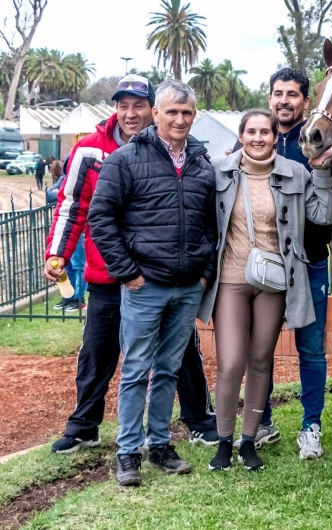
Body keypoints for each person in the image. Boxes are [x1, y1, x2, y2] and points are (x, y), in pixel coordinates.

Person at [44, 74, 218, 457]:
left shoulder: (189, 155)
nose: (131, 113)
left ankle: (199, 421)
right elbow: (75, 207)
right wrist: (57, 252)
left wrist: (202, 273)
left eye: (138, 105)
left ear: (150, 109)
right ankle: (84, 425)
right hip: (110, 274)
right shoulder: (91, 150)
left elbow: (206, 219)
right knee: (99, 351)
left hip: (166, 275)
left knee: (180, 354)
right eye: (123, 105)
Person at [89, 79, 218, 487]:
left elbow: (213, 225)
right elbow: (100, 218)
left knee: (167, 369)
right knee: (136, 370)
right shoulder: (125, 160)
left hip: (186, 287)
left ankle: (159, 443)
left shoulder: (202, 163)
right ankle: (128, 451)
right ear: (156, 114)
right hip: (145, 286)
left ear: (193, 116)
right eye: (172, 112)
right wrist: (128, 273)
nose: (179, 119)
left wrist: (203, 273)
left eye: (187, 113)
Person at [198, 109, 332, 472]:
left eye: (265, 132)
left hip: (275, 279)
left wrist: (322, 172)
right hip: (231, 277)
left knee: (261, 361)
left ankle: (249, 441)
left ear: (276, 137)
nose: (258, 138)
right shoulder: (219, 170)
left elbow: (323, 217)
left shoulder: (296, 173)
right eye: (251, 132)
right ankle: (223, 441)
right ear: (241, 135)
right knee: (230, 363)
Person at [235, 68, 332, 459]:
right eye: (278, 93)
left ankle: (312, 426)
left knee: (311, 348)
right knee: (260, 348)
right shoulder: (256, 142)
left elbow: (329, 209)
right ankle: (261, 420)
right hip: (264, 266)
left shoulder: (321, 139)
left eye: (293, 94)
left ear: (305, 101)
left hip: (308, 262)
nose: (284, 101)